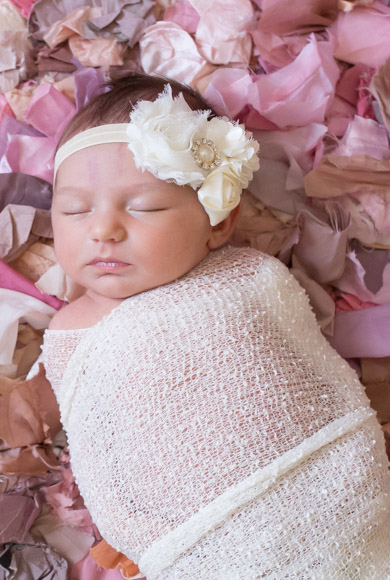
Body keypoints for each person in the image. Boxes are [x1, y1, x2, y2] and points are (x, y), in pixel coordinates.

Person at [41, 73, 390, 579]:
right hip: (200, 538)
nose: (103, 230)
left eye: (144, 207)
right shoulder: (70, 330)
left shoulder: (247, 280)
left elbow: (300, 365)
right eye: (74, 210)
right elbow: (96, 437)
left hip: (322, 492)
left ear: (218, 222)